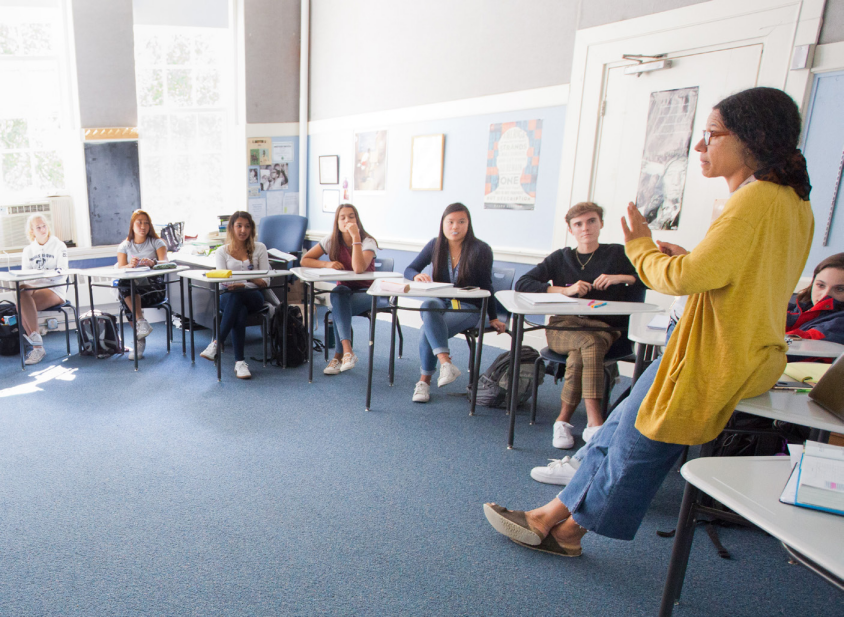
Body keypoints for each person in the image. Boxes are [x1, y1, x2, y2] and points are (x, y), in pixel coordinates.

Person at [483, 86, 814, 557]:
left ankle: (570, 531)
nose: (700, 147)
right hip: (728, 346)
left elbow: (683, 279)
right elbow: (739, 276)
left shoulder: (755, 199)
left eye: (712, 135)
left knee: (637, 444)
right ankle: (552, 515)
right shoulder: (793, 203)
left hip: (712, 352)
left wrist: (641, 244)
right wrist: (696, 259)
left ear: (751, 139)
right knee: (619, 428)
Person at [515, 201, 645, 450]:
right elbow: (523, 282)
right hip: (563, 327)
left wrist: (621, 278)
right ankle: (595, 421)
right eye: (578, 224)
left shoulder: (617, 253)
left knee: (583, 351)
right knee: (588, 344)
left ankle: (563, 420)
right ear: (570, 229)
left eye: (591, 221)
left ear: (601, 224)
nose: (585, 228)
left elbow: (649, 278)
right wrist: (565, 290)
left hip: (605, 329)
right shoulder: (561, 257)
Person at [404, 203, 506, 403]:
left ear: (468, 224)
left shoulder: (481, 249)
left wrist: (493, 317)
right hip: (442, 304)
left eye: (461, 222)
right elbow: (410, 269)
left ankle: (424, 382)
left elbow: (487, 286)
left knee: (427, 330)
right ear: (443, 224)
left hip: (469, 308)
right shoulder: (435, 245)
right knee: (427, 305)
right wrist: (416, 276)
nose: (455, 227)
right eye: (450, 222)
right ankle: (446, 364)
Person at [300, 203, 381, 374]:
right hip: (344, 293)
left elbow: (359, 268)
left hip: (368, 294)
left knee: (337, 305)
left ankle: (338, 355)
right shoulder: (332, 240)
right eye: (342, 217)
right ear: (337, 222)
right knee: (338, 295)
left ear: (357, 220)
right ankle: (347, 352)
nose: (347, 220)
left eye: (351, 216)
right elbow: (305, 260)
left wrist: (355, 238)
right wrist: (327, 263)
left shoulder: (368, 241)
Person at [199, 211, 269, 379]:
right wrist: (247, 280)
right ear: (231, 228)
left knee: (239, 294)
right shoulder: (222, 251)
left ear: (251, 229)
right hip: (228, 296)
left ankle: (216, 343)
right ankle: (240, 363)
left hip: (253, 295)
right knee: (239, 308)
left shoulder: (260, 248)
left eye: (247, 226)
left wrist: (243, 283)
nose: (243, 230)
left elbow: (266, 280)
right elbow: (223, 280)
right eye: (239, 226)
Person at [116, 209, 168, 361]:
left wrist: (154, 263)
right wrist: (129, 265)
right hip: (133, 289)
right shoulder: (124, 246)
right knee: (125, 285)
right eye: (139, 222)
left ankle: (139, 339)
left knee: (125, 296)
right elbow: (120, 267)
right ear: (132, 225)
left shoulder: (157, 242)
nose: (143, 226)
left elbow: (166, 262)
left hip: (154, 289)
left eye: (146, 223)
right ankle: (141, 323)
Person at [17, 214, 69, 365]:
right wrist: (36, 279)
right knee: (22, 290)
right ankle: (37, 340)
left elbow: (62, 272)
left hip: (55, 288)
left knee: (20, 307)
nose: (42, 229)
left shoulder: (59, 245)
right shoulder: (28, 250)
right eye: (38, 227)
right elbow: (26, 277)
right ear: (32, 231)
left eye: (44, 226)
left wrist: (43, 275)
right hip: (34, 287)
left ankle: (37, 346)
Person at [787, 253, 844, 345]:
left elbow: (799, 345)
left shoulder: (840, 323)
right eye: (821, 285)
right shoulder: (796, 308)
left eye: (840, 289)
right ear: (813, 283)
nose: (825, 295)